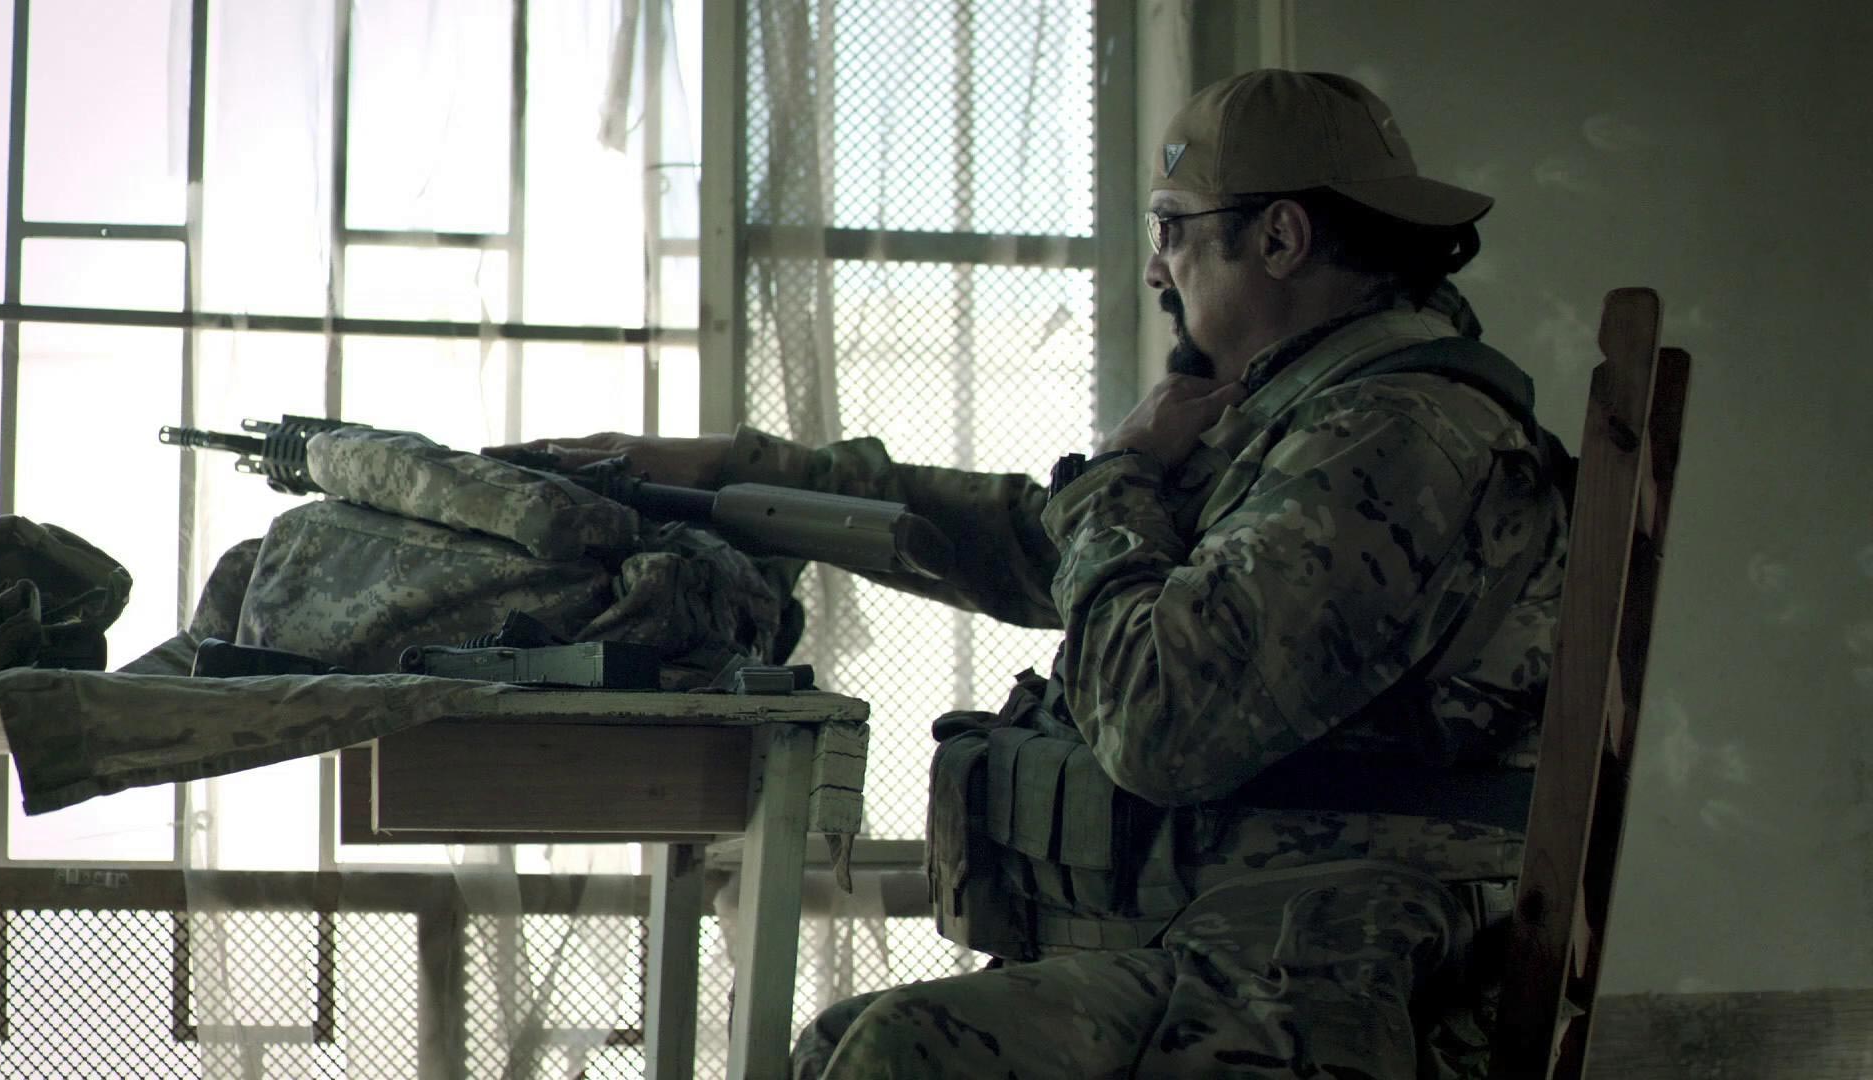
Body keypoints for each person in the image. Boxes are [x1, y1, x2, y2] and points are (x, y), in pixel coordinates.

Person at [490, 69, 1569, 1079]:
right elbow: (1035, 546)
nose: (1156, 269)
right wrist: (732, 472)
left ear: (1280, 238)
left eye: (1172, 229)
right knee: (837, 1043)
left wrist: (1119, 478)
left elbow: (1161, 720)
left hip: (1320, 973)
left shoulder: (1389, 439)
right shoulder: (1308, 419)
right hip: (1239, 934)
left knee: (897, 1054)